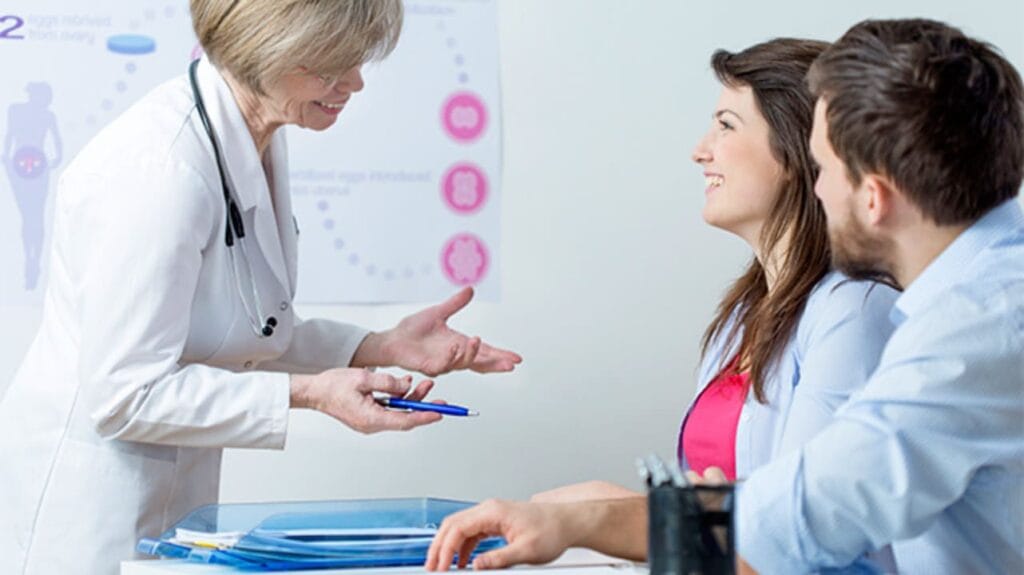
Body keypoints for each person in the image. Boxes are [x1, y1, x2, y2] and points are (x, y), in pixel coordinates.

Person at [426, 18, 1024, 575]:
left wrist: (590, 518)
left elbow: (809, 517)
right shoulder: (977, 300)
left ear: (873, 197)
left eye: (822, 169)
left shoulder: (973, 334)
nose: (819, 190)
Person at [0, 2, 521, 574]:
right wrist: (310, 393)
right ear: (265, 47)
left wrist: (375, 347)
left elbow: (236, 323)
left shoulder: (251, 136)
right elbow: (124, 393)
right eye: (332, 65)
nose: (355, 81)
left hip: (169, 494)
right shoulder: (159, 173)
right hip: (91, 514)